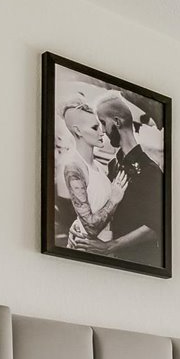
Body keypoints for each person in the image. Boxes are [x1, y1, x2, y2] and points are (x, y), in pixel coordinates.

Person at [92, 90, 164, 259]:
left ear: (117, 121)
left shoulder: (150, 169)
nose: (102, 130)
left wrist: (111, 246)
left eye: (103, 122)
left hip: (144, 260)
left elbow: (156, 227)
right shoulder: (113, 165)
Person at [55, 96, 120, 250]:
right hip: (86, 248)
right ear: (78, 131)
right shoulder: (73, 167)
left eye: (100, 126)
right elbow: (90, 227)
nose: (102, 131)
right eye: (94, 128)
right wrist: (114, 200)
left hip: (104, 246)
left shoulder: (99, 166)